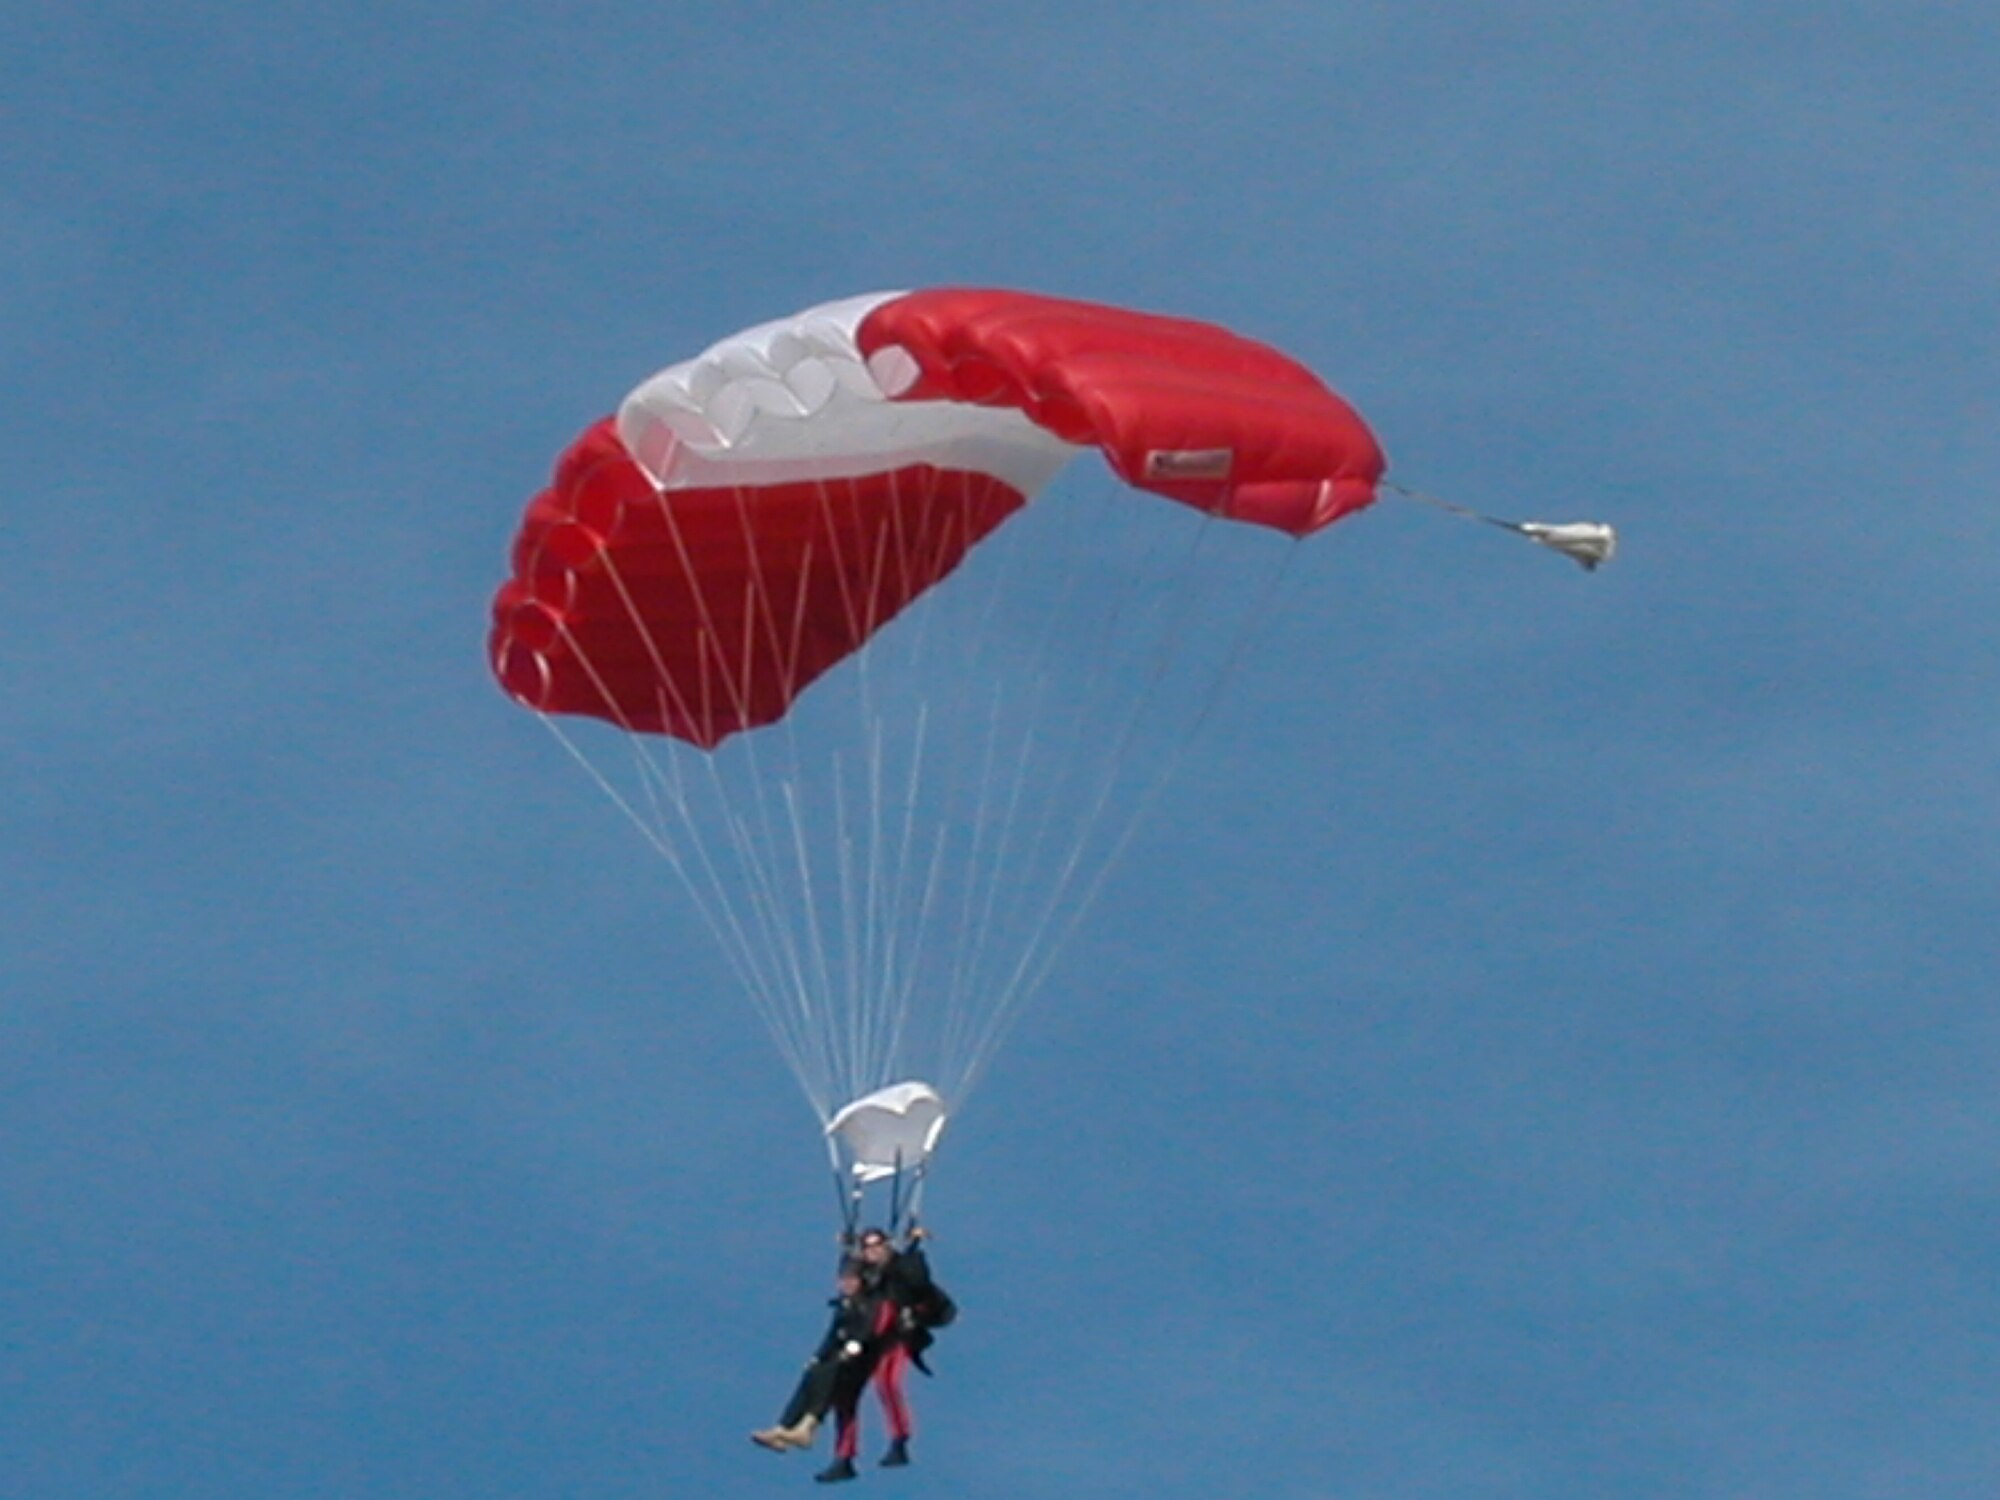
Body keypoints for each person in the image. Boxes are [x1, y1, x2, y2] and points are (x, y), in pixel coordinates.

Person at [819, 1224, 947, 1481]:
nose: (873, 1251)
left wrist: (914, 1246)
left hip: (893, 1336)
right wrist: (847, 1248)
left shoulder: (902, 1267)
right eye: (868, 1247)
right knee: (844, 1396)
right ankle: (844, 1458)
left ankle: (899, 1441)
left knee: (887, 1384)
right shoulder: (861, 1272)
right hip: (864, 1340)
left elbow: (918, 1282)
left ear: (887, 1246)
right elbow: (850, 1287)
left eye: (878, 1245)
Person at [749, 1260, 881, 1458]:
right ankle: (784, 1426)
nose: (847, 1284)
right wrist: (817, 1357)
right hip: (839, 1355)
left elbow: (866, 1330)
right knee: (812, 1373)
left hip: (858, 1360)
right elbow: (831, 1336)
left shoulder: (867, 1304)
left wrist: (853, 1347)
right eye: (844, 1280)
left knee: (827, 1372)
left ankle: (808, 1425)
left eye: (851, 1280)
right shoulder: (843, 1306)